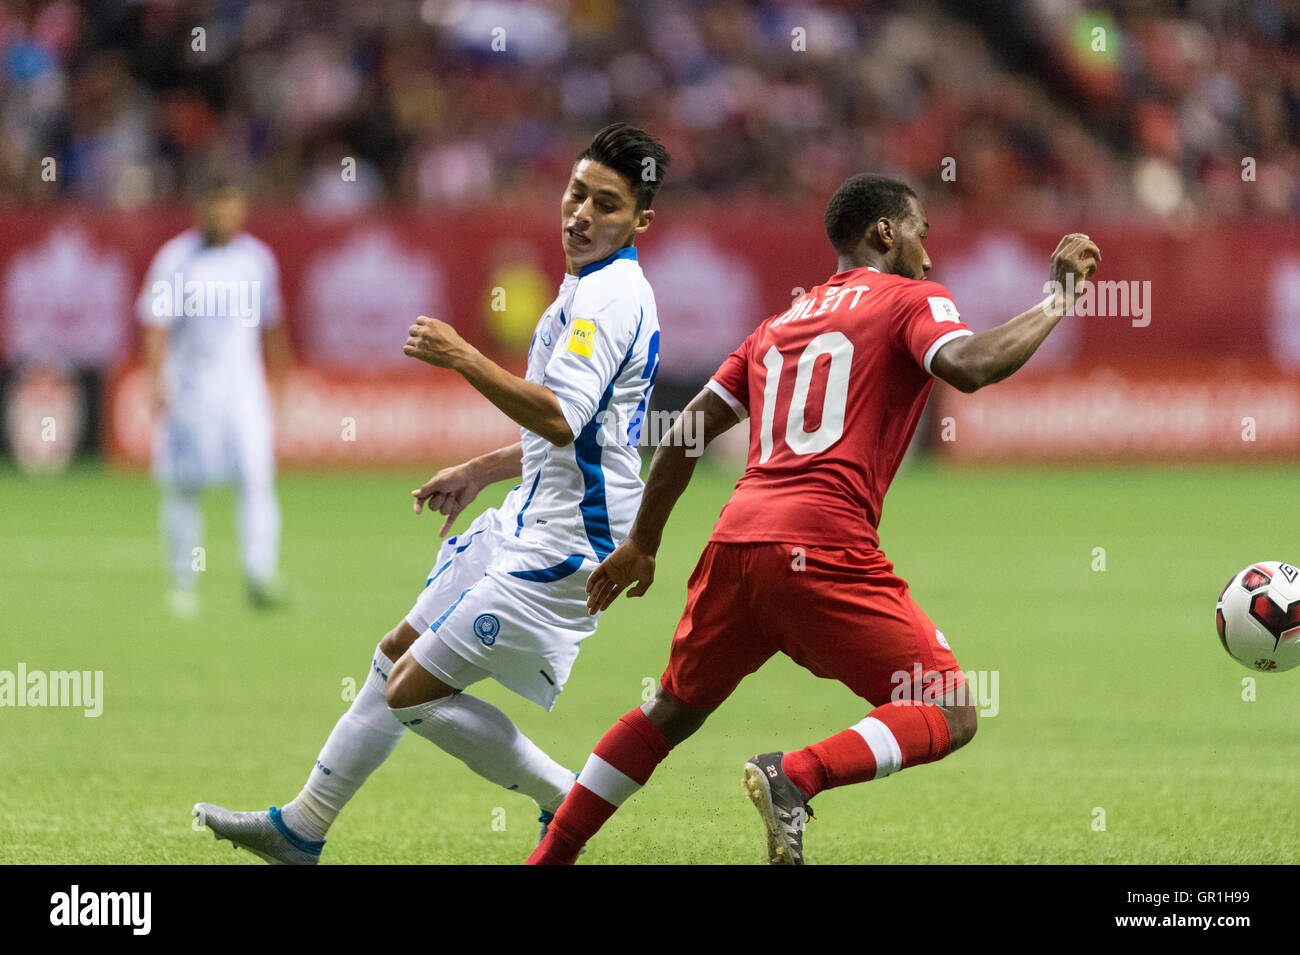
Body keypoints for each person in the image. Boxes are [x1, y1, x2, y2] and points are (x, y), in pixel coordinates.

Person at [528, 174, 1100, 865]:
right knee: (950, 711)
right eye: (921, 232)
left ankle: (546, 859)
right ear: (886, 232)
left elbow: (682, 432)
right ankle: (797, 775)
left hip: (737, 541)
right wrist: (1060, 299)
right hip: (824, 541)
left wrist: (643, 543)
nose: (928, 253)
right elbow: (972, 367)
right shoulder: (910, 298)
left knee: (671, 710)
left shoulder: (775, 325)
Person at [194, 123, 670, 864]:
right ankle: (302, 826)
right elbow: (584, 438)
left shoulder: (609, 299)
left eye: (606, 204)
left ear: (641, 221)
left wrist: (463, 356)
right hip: (529, 519)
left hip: (570, 546)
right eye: (577, 192)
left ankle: (567, 800)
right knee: (393, 657)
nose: (581, 213)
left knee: (410, 690)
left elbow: (562, 414)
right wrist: (482, 468)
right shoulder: (590, 285)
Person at [138, 178, 291, 616]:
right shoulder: (175, 259)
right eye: (215, 205)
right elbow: (155, 323)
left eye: (231, 205)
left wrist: (281, 380)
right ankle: (183, 582)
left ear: (240, 209)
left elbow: (272, 324)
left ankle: (260, 574)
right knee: (186, 485)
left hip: (244, 388)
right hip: (191, 388)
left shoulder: (256, 259)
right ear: (200, 207)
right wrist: (156, 380)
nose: (223, 215)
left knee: (256, 477)